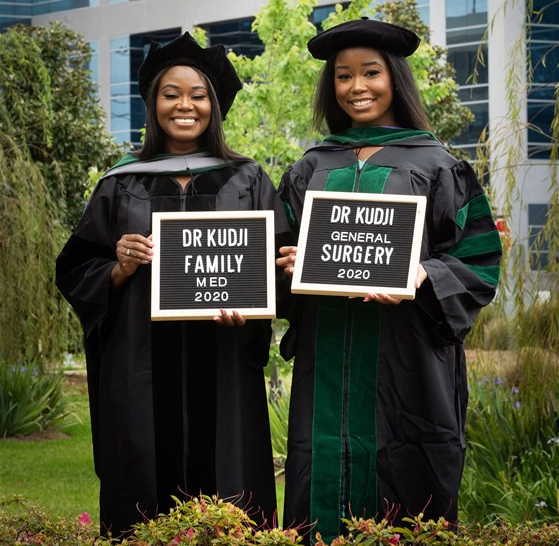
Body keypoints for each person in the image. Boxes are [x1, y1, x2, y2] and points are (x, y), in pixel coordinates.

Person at [275, 18, 502, 543]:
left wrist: (426, 271)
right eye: (343, 76)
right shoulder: (310, 167)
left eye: (370, 73)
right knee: (321, 486)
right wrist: (286, 266)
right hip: (327, 353)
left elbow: (479, 257)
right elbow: (278, 259)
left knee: (409, 485)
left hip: (410, 360)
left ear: (394, 78)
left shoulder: (440, 164)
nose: (357, 87)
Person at [56, 31, 290, 538]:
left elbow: (279, 266)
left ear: (215, 105)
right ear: (152, 105)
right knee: (143, 496)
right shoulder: (120, 183)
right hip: (141, 369)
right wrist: (118, 266)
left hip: (225, 365)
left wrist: (257, 298)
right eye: (170, 94)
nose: (185, 105)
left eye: (198, 95)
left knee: (228, 501)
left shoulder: (249, 179)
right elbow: (76, 267)